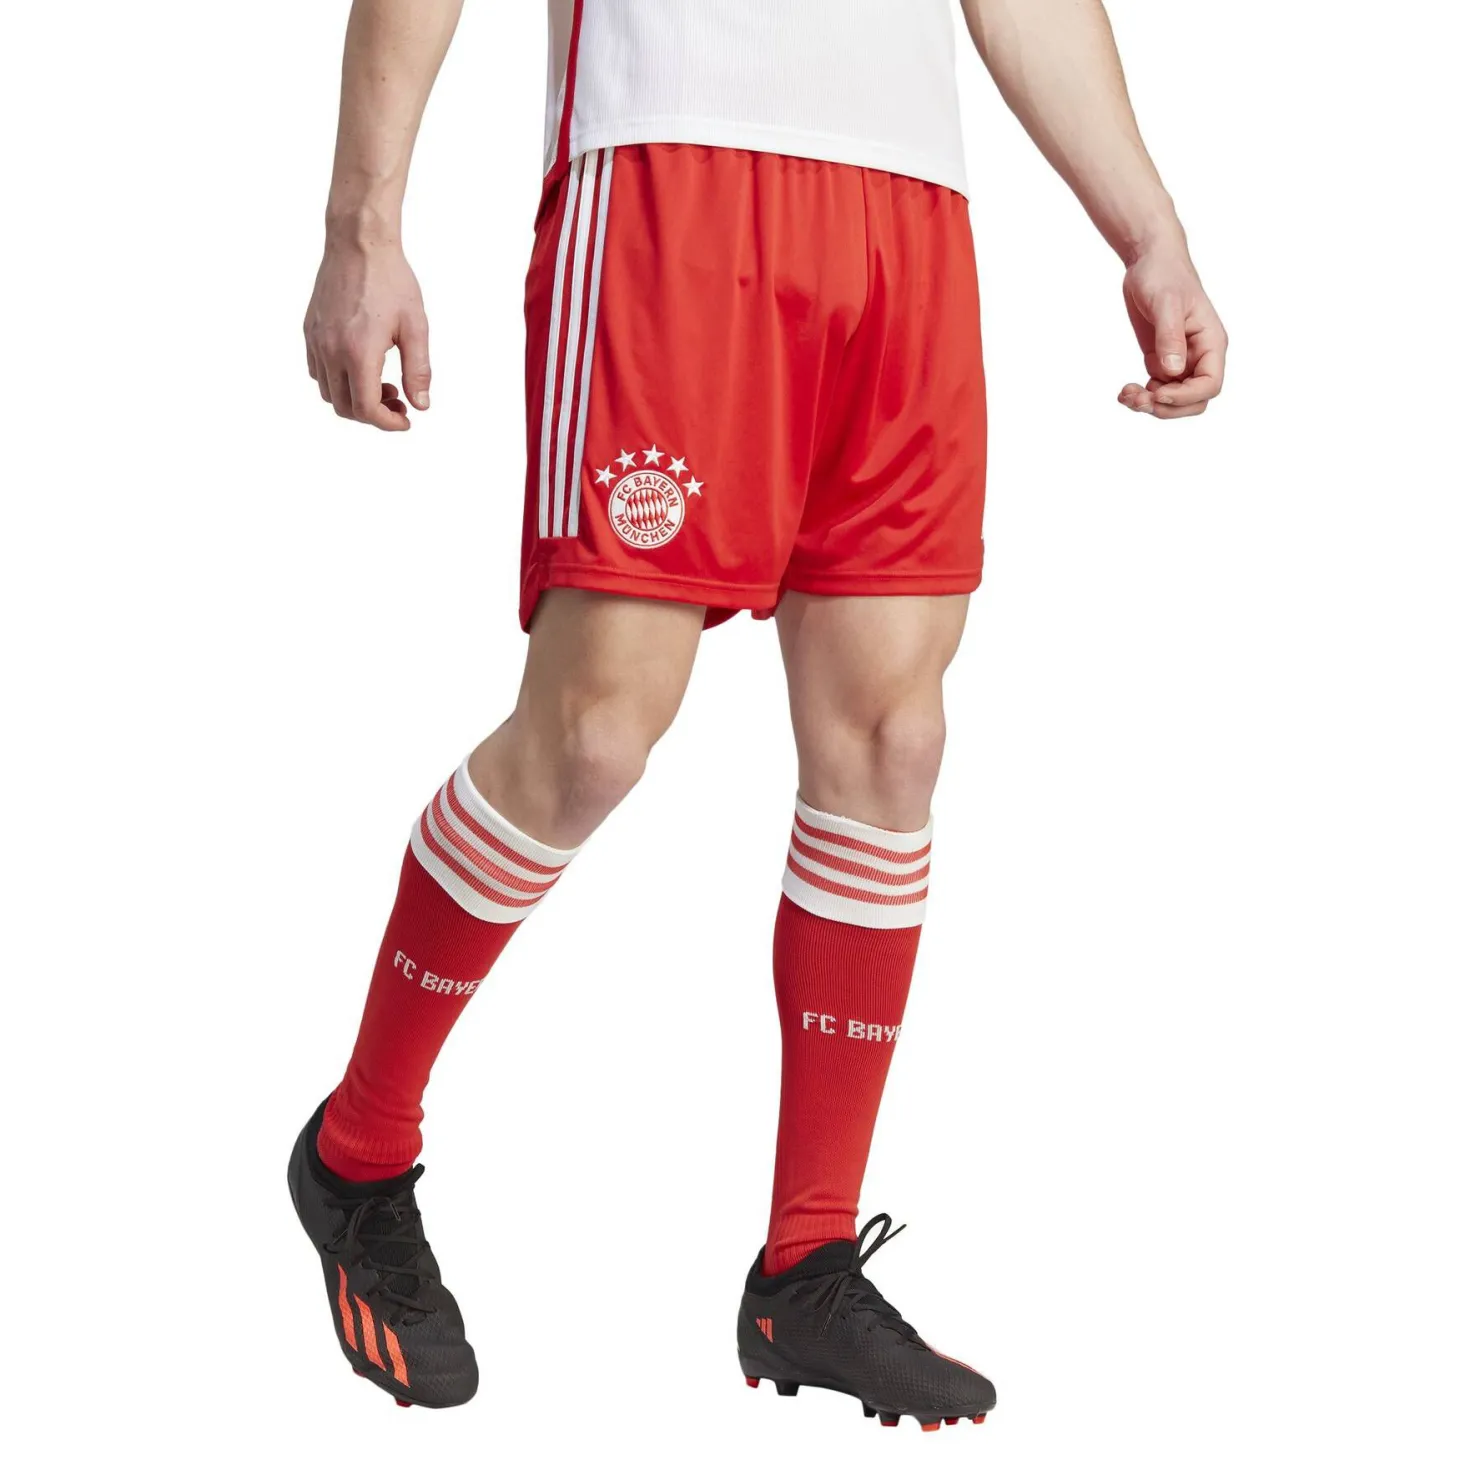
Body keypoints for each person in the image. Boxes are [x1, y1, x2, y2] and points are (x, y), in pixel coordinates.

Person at [290, 0, 1227, 1424]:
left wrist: (1149, 229)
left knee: (893, 738)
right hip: (672, 173)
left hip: (906, 204)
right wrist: (364, 223)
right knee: (595, 733)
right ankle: (356, 1154)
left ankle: (807, 1266)